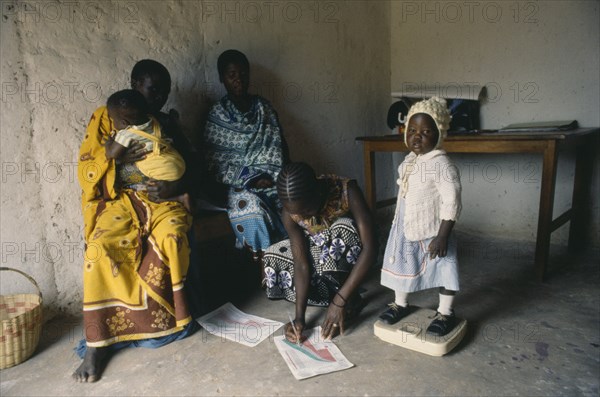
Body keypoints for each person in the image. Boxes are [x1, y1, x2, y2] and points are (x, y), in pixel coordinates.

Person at [74, 60, 197, 383]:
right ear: (133, 83)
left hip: (161, 201)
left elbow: (194, 167)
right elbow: (87, 168)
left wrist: (174, 187)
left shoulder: (164, 123)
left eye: (164, 93)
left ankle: (175, 319)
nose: (157, 99)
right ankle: (96, 345)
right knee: (99, 248)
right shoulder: (106, 118)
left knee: (172, 236)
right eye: (151, 90)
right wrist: (113, 159)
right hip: (118, 199)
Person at [263, 162, 377, 342]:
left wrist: (340, 300)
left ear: (317, 190)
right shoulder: (291, 212)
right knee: (274, 254)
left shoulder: (348, 191)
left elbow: (371, 248)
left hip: (347, 261)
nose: (303, 217)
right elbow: (301, 263)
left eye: (306, 210)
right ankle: (326, 299)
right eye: (297, 213)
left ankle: (348, 298)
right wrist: (299, 318)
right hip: (319, 261)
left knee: (342, 228)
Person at [378, 97, 462, 337]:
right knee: (403, 264)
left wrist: (443, 235)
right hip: (406, 225)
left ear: (439, 134)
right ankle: (400, 303)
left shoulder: (442, 164)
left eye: (426, 132)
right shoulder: (409, 161)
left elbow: (452, 200)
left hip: (435, 230)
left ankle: (445, 312)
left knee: (443, 268)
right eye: (412, 130)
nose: (417, 136)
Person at [203, 49, 288, 269]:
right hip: (239, 184)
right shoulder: (218, 114)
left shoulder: (264, 108)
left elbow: (280, 146)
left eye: (243, 73)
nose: (238, 79)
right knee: (249, 207)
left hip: (273, 176)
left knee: (296, 198)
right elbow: (215, 163)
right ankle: (269, 269)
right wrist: (252, 178)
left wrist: (281, 174)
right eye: (232, 75)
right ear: (222, 78)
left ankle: (297, 261)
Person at [104, 89, 190, 210]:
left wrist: (109, 142)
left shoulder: (126, 134)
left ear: (123, 122)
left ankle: (181, 198)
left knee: (153, 197)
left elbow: (112, 154)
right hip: (177, 161)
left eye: (113, 120)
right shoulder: (152, 120)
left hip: (163, 169)